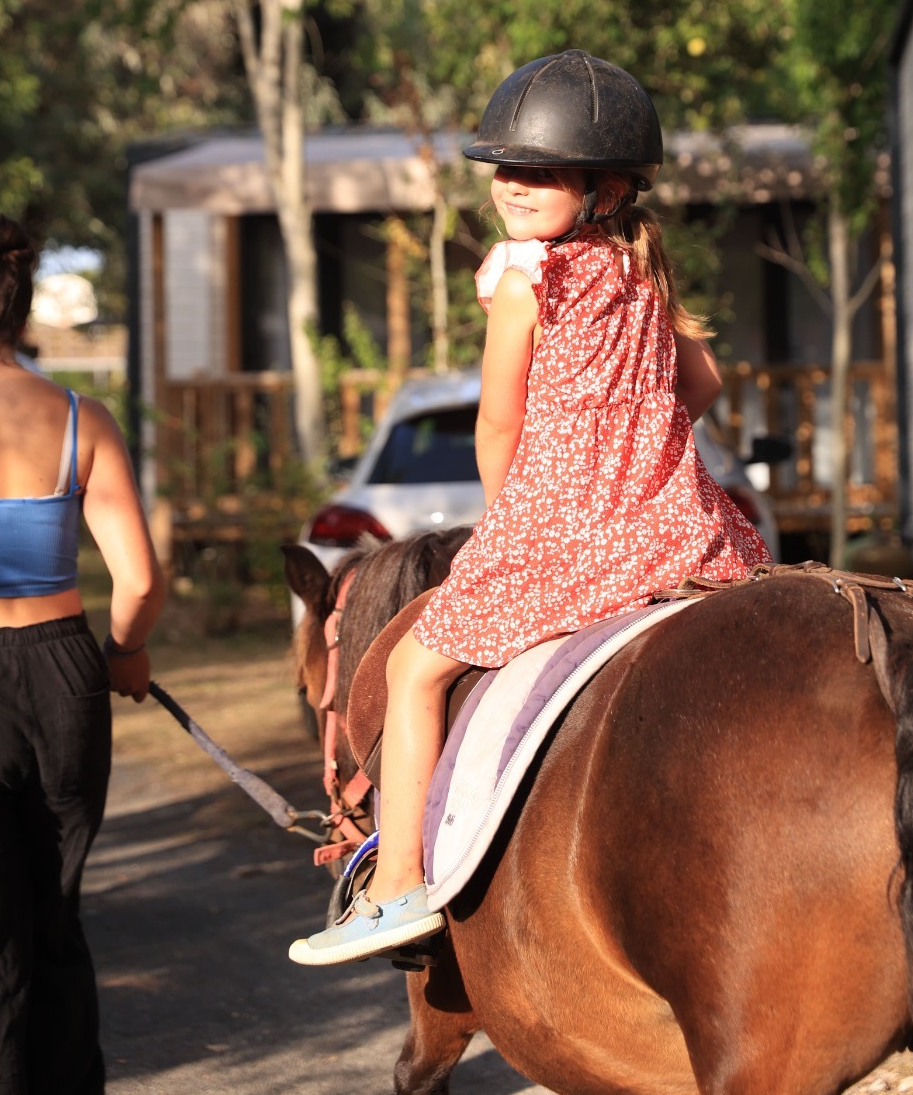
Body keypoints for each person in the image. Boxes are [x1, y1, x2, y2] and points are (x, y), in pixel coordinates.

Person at [289, 50, 771, 967]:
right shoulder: (641, 274)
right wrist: (636, 442)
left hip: (559, 534)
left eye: (539, 171)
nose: (512, 184)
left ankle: (394, 888)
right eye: (506, 167)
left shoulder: (525, 284)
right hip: (679, 527)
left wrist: (519, 522)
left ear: (606, 187)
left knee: (414, 674)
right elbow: (702, 381)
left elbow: (498, 428)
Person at [0, 215, 166, 1095]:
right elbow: (139, 580)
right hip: (65, 678)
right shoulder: (82, 417)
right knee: (56, 919)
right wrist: (125, 656)